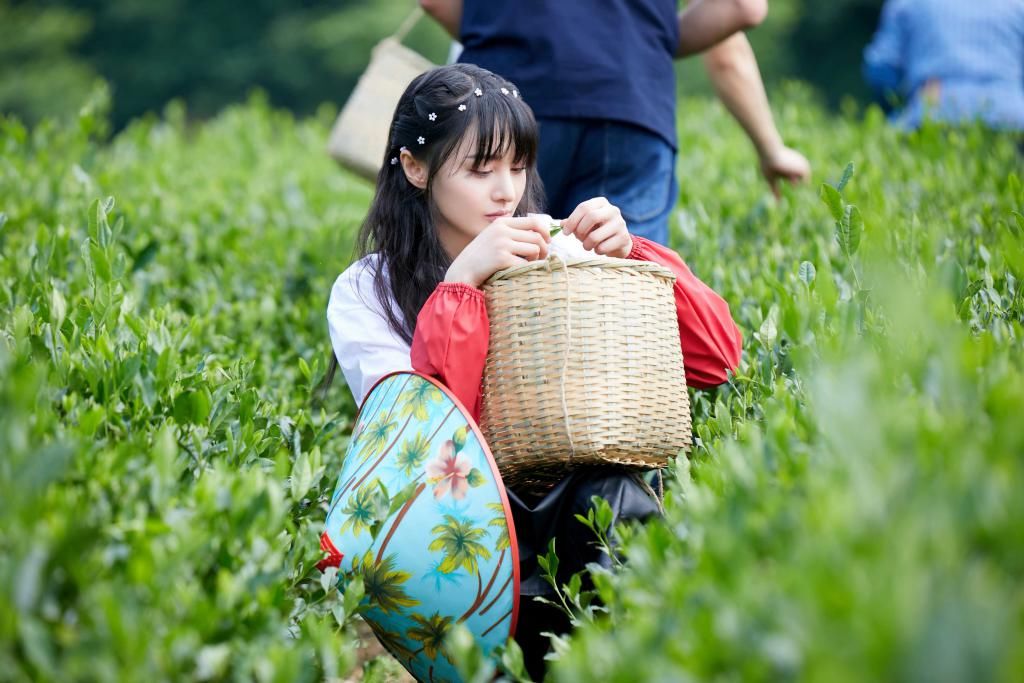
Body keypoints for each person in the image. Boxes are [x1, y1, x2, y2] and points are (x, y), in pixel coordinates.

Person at [325, 63, 742, 678]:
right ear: (415, 168)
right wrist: (463, 282)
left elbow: (715, 360)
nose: (506, 193)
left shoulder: (552, 254)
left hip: (570, 499)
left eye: (517, 167)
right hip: (454, 526)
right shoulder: (368, 288)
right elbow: (430, 436)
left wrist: (636, 258)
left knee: (614, 495)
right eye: (480, 169)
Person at [419, 0, 811, 246]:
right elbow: (744, 8)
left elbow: (436, 3)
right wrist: (644, 44)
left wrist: (505, 36)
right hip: (631, 105)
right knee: (622, 281)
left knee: (494, 268)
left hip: (508, 104)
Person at [863, 0, 1024, 131]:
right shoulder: (1017, 5)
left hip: (933, 110)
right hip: (1012, 118)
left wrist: (897, 107)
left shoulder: (907, 3)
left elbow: (881, 69)